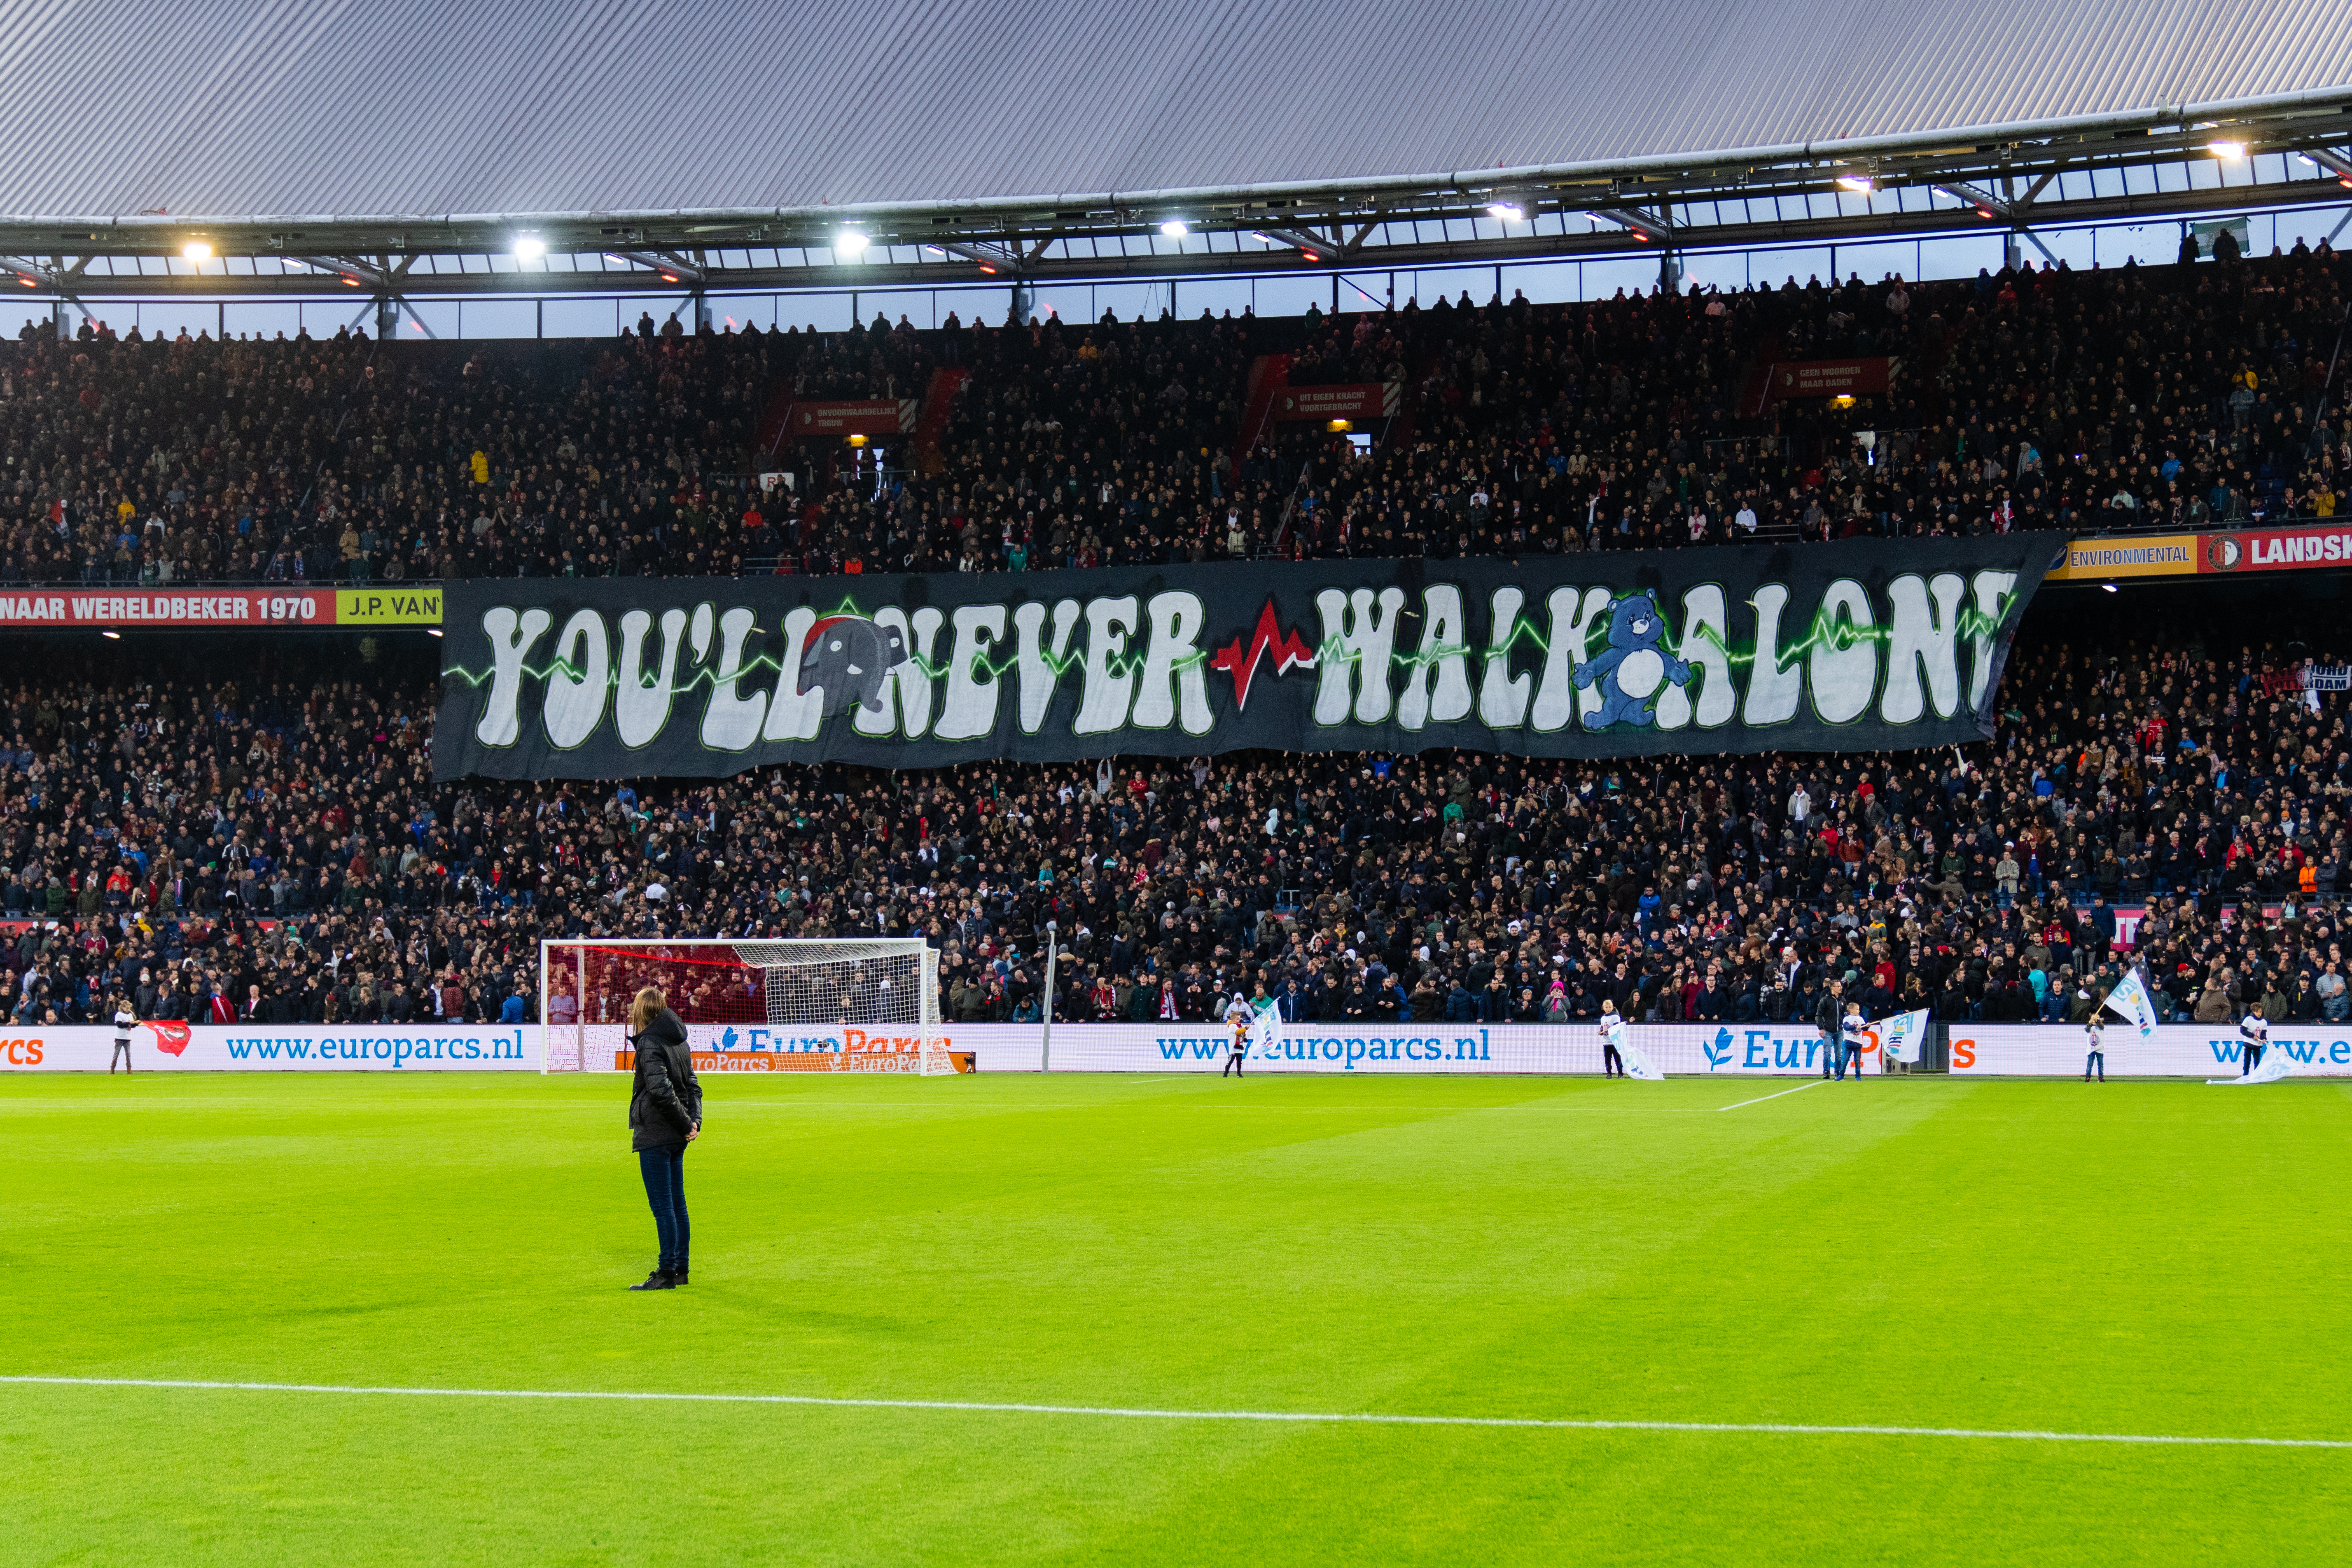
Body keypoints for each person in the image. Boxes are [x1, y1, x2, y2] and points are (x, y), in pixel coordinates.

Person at [626, 986, 701, 1290]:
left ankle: (667, 1270)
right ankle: (680, 1268)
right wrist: (693, 1121)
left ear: (640, 1011)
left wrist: (686, 1123)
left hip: (658, 1131)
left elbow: (660, 1091)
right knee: (677, 1203)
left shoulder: (650, 1043)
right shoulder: (679, 1041)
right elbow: (693, 1085)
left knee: (663, 1206)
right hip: (676, 1132)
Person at [1815, 979, 1843, 1077]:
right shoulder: (1825, 1000)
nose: (1841, 988)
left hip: (1839, 1031)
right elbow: (1819, 1015)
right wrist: (1821, 1028)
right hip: (1827, 1031)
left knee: (1839, 1053)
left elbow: (1845, 1015)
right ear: (1832, 988)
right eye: (1838, 986)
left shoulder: (1842, 1000)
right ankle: (1826, 1071)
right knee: (1827, 1052)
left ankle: (1838, 1072)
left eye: (1841, 986)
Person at [1222, 991, 1252, 1077]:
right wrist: (1245, 1028)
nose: (1239, 1020)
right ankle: (1226, 1073)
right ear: (1233, 1019)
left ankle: (1239, 1073)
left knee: (1239, 1060)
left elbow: (1242, 1032)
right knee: (1231, 1060)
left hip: (1239, 1046)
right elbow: (1238, 1032)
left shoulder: (1240, 1025)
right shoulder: (1232, 1026)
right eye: (1237, 1019)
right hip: (1233, 1046)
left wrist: (1245, 1029)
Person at [1837, 999, 1869, 1082]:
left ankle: (1858, 1076)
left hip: (1858, 1043)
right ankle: (1841, 1075)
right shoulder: (1847, 1019)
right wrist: (1855, 1027)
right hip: (1849, 1042)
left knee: (1858, 1061)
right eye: (1857, 1009)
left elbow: (1864, 1028)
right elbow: (1847, 1027)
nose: (1859, 1011)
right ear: (1851, 1010)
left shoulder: (1861, 1019)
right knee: (1846, 1060)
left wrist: (1867, 1026)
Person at [1598, 997, 1626, 1077]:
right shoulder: (1603, 1018)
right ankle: (1609, 1073)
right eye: (1606, 1008)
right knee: (1607, 1059)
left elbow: (1616, 1029)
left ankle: (1620, 1073)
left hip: (1615, 1042)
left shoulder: (1616, 1017)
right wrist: (1601, 1032)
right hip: (1606, 1042)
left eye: (1610, 1007)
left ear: (1613, 1008)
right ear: (1603, 1008)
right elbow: (1602, 1027)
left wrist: (1609, 1031)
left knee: (1617, 1058)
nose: (1608, 1009)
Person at [2238, 1002, 2268, 1077]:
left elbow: (2263, 1033)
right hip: (2249, 1043)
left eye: (2260, 1012)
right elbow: (2243, 1030)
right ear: (2254, 1012)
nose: (2259, 1014)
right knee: (2247, 1060)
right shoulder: (2249, 1019)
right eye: (2257, 1012)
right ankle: (2245, 1075)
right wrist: (2252, 1036)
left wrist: (2264, 1039)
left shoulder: (2264, 1022)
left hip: (2258, 1044)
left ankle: (2257, 1076)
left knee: (2257, 1061)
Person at [111, 995, 135, 1074]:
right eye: (127, 1008)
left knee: (128, 1055)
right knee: (116, 1054)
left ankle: (129, 1069)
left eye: (129, 1008)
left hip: (127, 1037)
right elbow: (120, 1025)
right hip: (120, 1037)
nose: (128, 1010)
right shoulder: (119, 1015)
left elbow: (133, 1025)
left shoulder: (130, 1015)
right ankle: (112, 1069)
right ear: (123, 1007)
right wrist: (130, 1024)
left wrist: (135, 1023)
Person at [2083, 1017, 2105, 1082]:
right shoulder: (2090, 1028)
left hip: (2100, 1049)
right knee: (2090, 1064)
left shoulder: (2101, 1028)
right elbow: (2087, 1029)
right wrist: (2089, 1024)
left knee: (2100, 1064)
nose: (2095, 1020)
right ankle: (2088, 1077)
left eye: (2097, 1018)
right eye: (2093, 1018)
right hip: (2091, 1049)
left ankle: (2101, 1077)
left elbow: (2102, 1026)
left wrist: (2097, 1021)